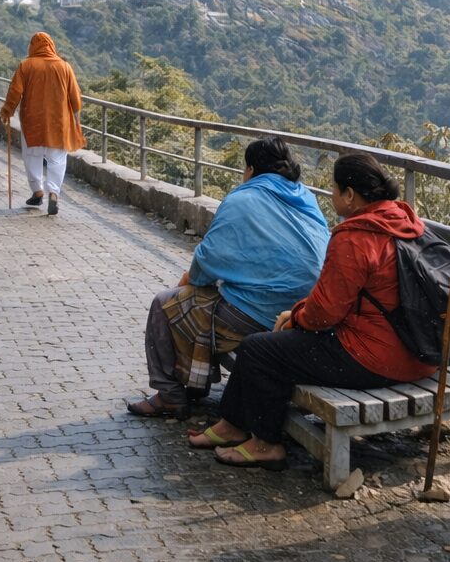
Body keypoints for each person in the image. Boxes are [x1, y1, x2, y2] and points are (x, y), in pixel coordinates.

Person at [188, 153, 436, 469]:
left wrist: (296, 317)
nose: (331, 195)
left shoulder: (356, 236)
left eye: (334, 188)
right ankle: (232, 425)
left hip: (377, 359)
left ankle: (265, 443)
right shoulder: (407, 222)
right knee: (267, 347)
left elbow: (325, 313)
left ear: (350, 194)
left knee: (258, 349)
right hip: (419, 354)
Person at [127, 138, 329, 420]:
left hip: (260, 317)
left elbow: (207, 261)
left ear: (250, 169)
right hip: (305, 313)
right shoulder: (306, 197)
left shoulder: (242, 199)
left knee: (165, 304)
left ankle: (169, 395)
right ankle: (193, 383)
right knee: (209, 300)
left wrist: (188, 282)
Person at [0, 32, 84, 216]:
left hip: (33, 121)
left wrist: (7, 111)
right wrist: (77, 121)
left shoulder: (26, 65)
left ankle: (37, 191)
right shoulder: (64, 66)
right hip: (58, 122)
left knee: (32, 156)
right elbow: (75, 98)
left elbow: (15, 92)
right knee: (57, 159)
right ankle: (53, 192)